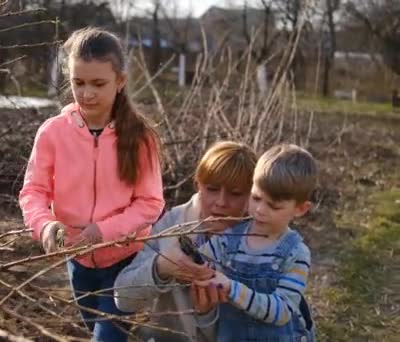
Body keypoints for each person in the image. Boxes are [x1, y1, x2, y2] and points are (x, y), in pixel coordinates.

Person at [18, 27, 165, 342]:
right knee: (99, 330)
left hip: (126, 259)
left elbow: (150, 203)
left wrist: (104, 230)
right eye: (78, 83)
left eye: (98, 84)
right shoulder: (52, 133)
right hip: (79, 260)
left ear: (120, 81)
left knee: (106, 338)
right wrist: (44, 226)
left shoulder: (141, 137)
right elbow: (33, 191)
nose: (86, 94)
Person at [114, 141, 257, 341]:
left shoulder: (261, 242)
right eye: (212, 189)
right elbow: (123, 300)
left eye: (235, 194)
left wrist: (205, 314)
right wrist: (161, 268)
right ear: (198, 184)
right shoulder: (173, 225)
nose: (221, 202)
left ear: (251, 195)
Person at [194, 143, 317, 341]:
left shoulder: (295, 253)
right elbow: (200, 260)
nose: (260, 210)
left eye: (273, 206)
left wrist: (232, 288)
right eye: (256, 198)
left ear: (301, 209)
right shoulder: (231, 238)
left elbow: (282, 311)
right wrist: (192, 262)